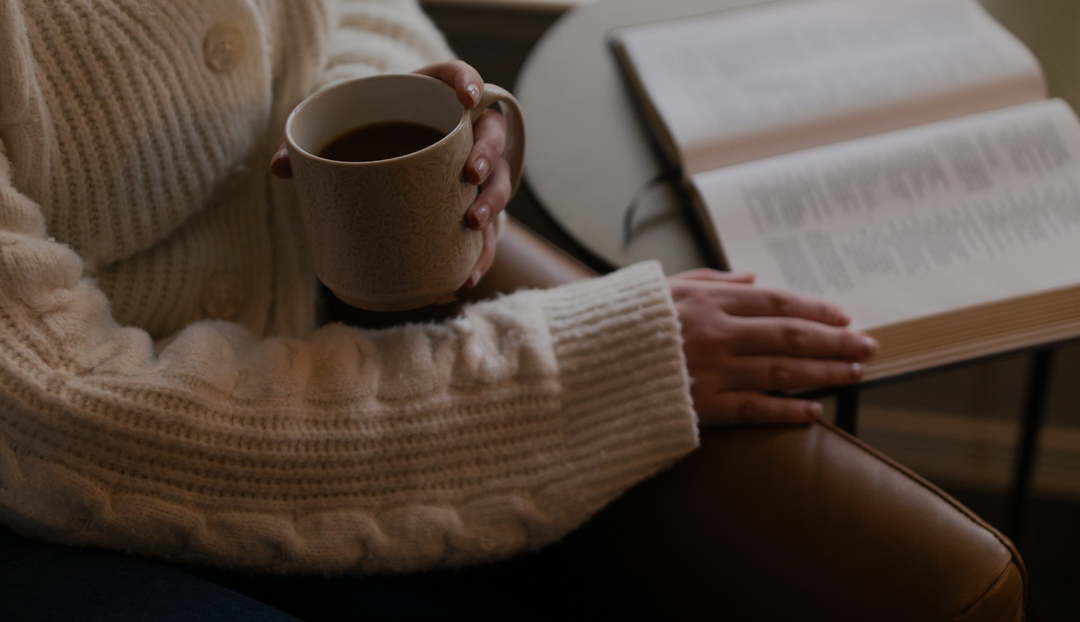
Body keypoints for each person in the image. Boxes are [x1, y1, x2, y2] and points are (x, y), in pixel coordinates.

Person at [0, 0, 876, 618]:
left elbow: (348, 10)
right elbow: (62, 415)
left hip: (317, 371)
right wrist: (570, 374)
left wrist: (388, 102)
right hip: (68, 511)